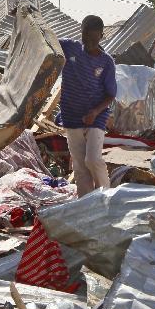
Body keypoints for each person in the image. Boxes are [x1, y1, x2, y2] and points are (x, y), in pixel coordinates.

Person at [57, 15, 117, 197]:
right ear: (80, 33)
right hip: (71, 115)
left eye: (93, 37)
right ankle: (86, 204)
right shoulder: (70, 48)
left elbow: (111, 94)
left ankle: (104, 197)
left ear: (101, 35)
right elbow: (44, 38)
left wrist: (95, 111)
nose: (88, 41)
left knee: (92, 159)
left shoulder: (106, 62)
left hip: (96, 116)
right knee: (80, 166)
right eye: (85, 36)